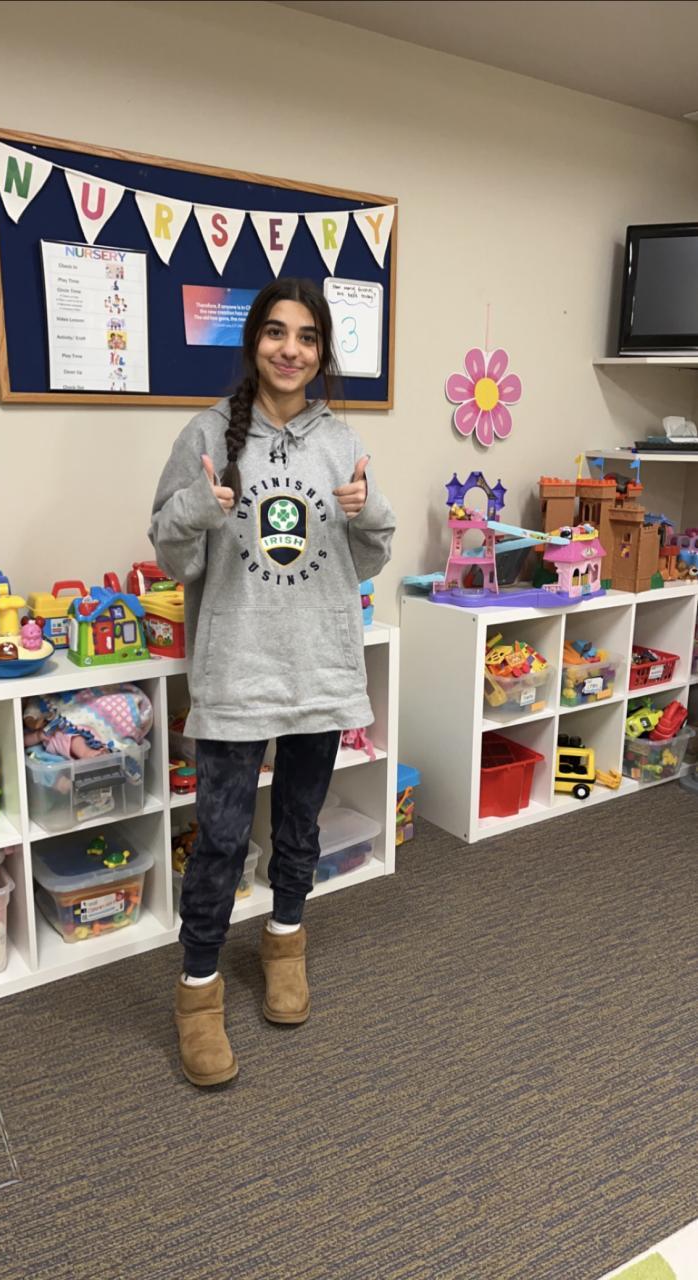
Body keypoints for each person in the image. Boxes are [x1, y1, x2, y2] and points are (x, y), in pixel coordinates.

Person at [149, 277, 395, 1087]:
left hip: (319, 666)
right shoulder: (206, 432)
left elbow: (369, 558)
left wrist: (366, 511)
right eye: (277, 332)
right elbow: (173, 556)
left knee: (299, 826)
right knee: (221, 838)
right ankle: (197, 989)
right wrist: (199, 506)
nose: (292, 349)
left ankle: (286, 944)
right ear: (254, 341)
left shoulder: (341, 441)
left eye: (308, 337)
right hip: (237, 670)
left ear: (321, 353)